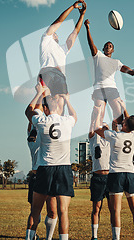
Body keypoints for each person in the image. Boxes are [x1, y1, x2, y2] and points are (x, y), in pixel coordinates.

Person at [84, 18, 134, 134]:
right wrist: (87, 28)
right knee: (98, 118)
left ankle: (119, 137)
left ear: (113, 50)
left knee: (119, 117)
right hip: (99, 90)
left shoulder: (116, 62)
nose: (107, 46)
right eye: (106, 45)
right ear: (103, 49)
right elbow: (91, 45)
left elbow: (131, 72)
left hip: (112, 89)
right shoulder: (98, 56)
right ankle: (103, 141)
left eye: (110, 46)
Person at [26, 84, 77, 240]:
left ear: (46, 109)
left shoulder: (42, 121)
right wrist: (67, 101)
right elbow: (74, 116)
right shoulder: (67, 121)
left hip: (45, 169)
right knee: (63, 212)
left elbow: (28, 111)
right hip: (63, 170)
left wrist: (40, 93)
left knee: (35, 211)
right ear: (59, 108)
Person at [95, 109, 134, 240]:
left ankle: (116, 238)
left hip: (116, 175)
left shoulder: (114, 136)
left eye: (124, 121)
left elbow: (96, 130)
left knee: (116, 211)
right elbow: (132, 123)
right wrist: (124, 108)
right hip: (130, 174)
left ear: (126, 125)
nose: (122, 121)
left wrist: (99, 117)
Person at [39, 0, 86, 113]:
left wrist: (82, 15)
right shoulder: (46, 39)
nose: (55, 33)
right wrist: (72, 7)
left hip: (60, 76)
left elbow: (75, 33)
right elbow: (59, 21)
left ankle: (59, 125)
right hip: (47, 72)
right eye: (54, 32)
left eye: (56, 33)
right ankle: (37, 125)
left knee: (61, 102)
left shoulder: (63, 49)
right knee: (44, 99)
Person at [25, 89, 59, 240]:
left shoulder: (42, 127)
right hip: (41, 174)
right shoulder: (38, 126)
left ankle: (43, 238)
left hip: (44, 174)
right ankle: (35, 237)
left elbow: (32, 110)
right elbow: (31, 111)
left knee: (44, 211)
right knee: (41, 212)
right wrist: (42, 94)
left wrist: (42, 94)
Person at [88, 120, 111, 240]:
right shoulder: (93, 139)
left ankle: (115, 235)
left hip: (110, 177)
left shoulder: (111, 140)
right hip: (97, 178)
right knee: (96, 208)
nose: (104, 130)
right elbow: (92, 129)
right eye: (101, 128)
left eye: (105, 128)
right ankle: (94, 236)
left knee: (113, 208)